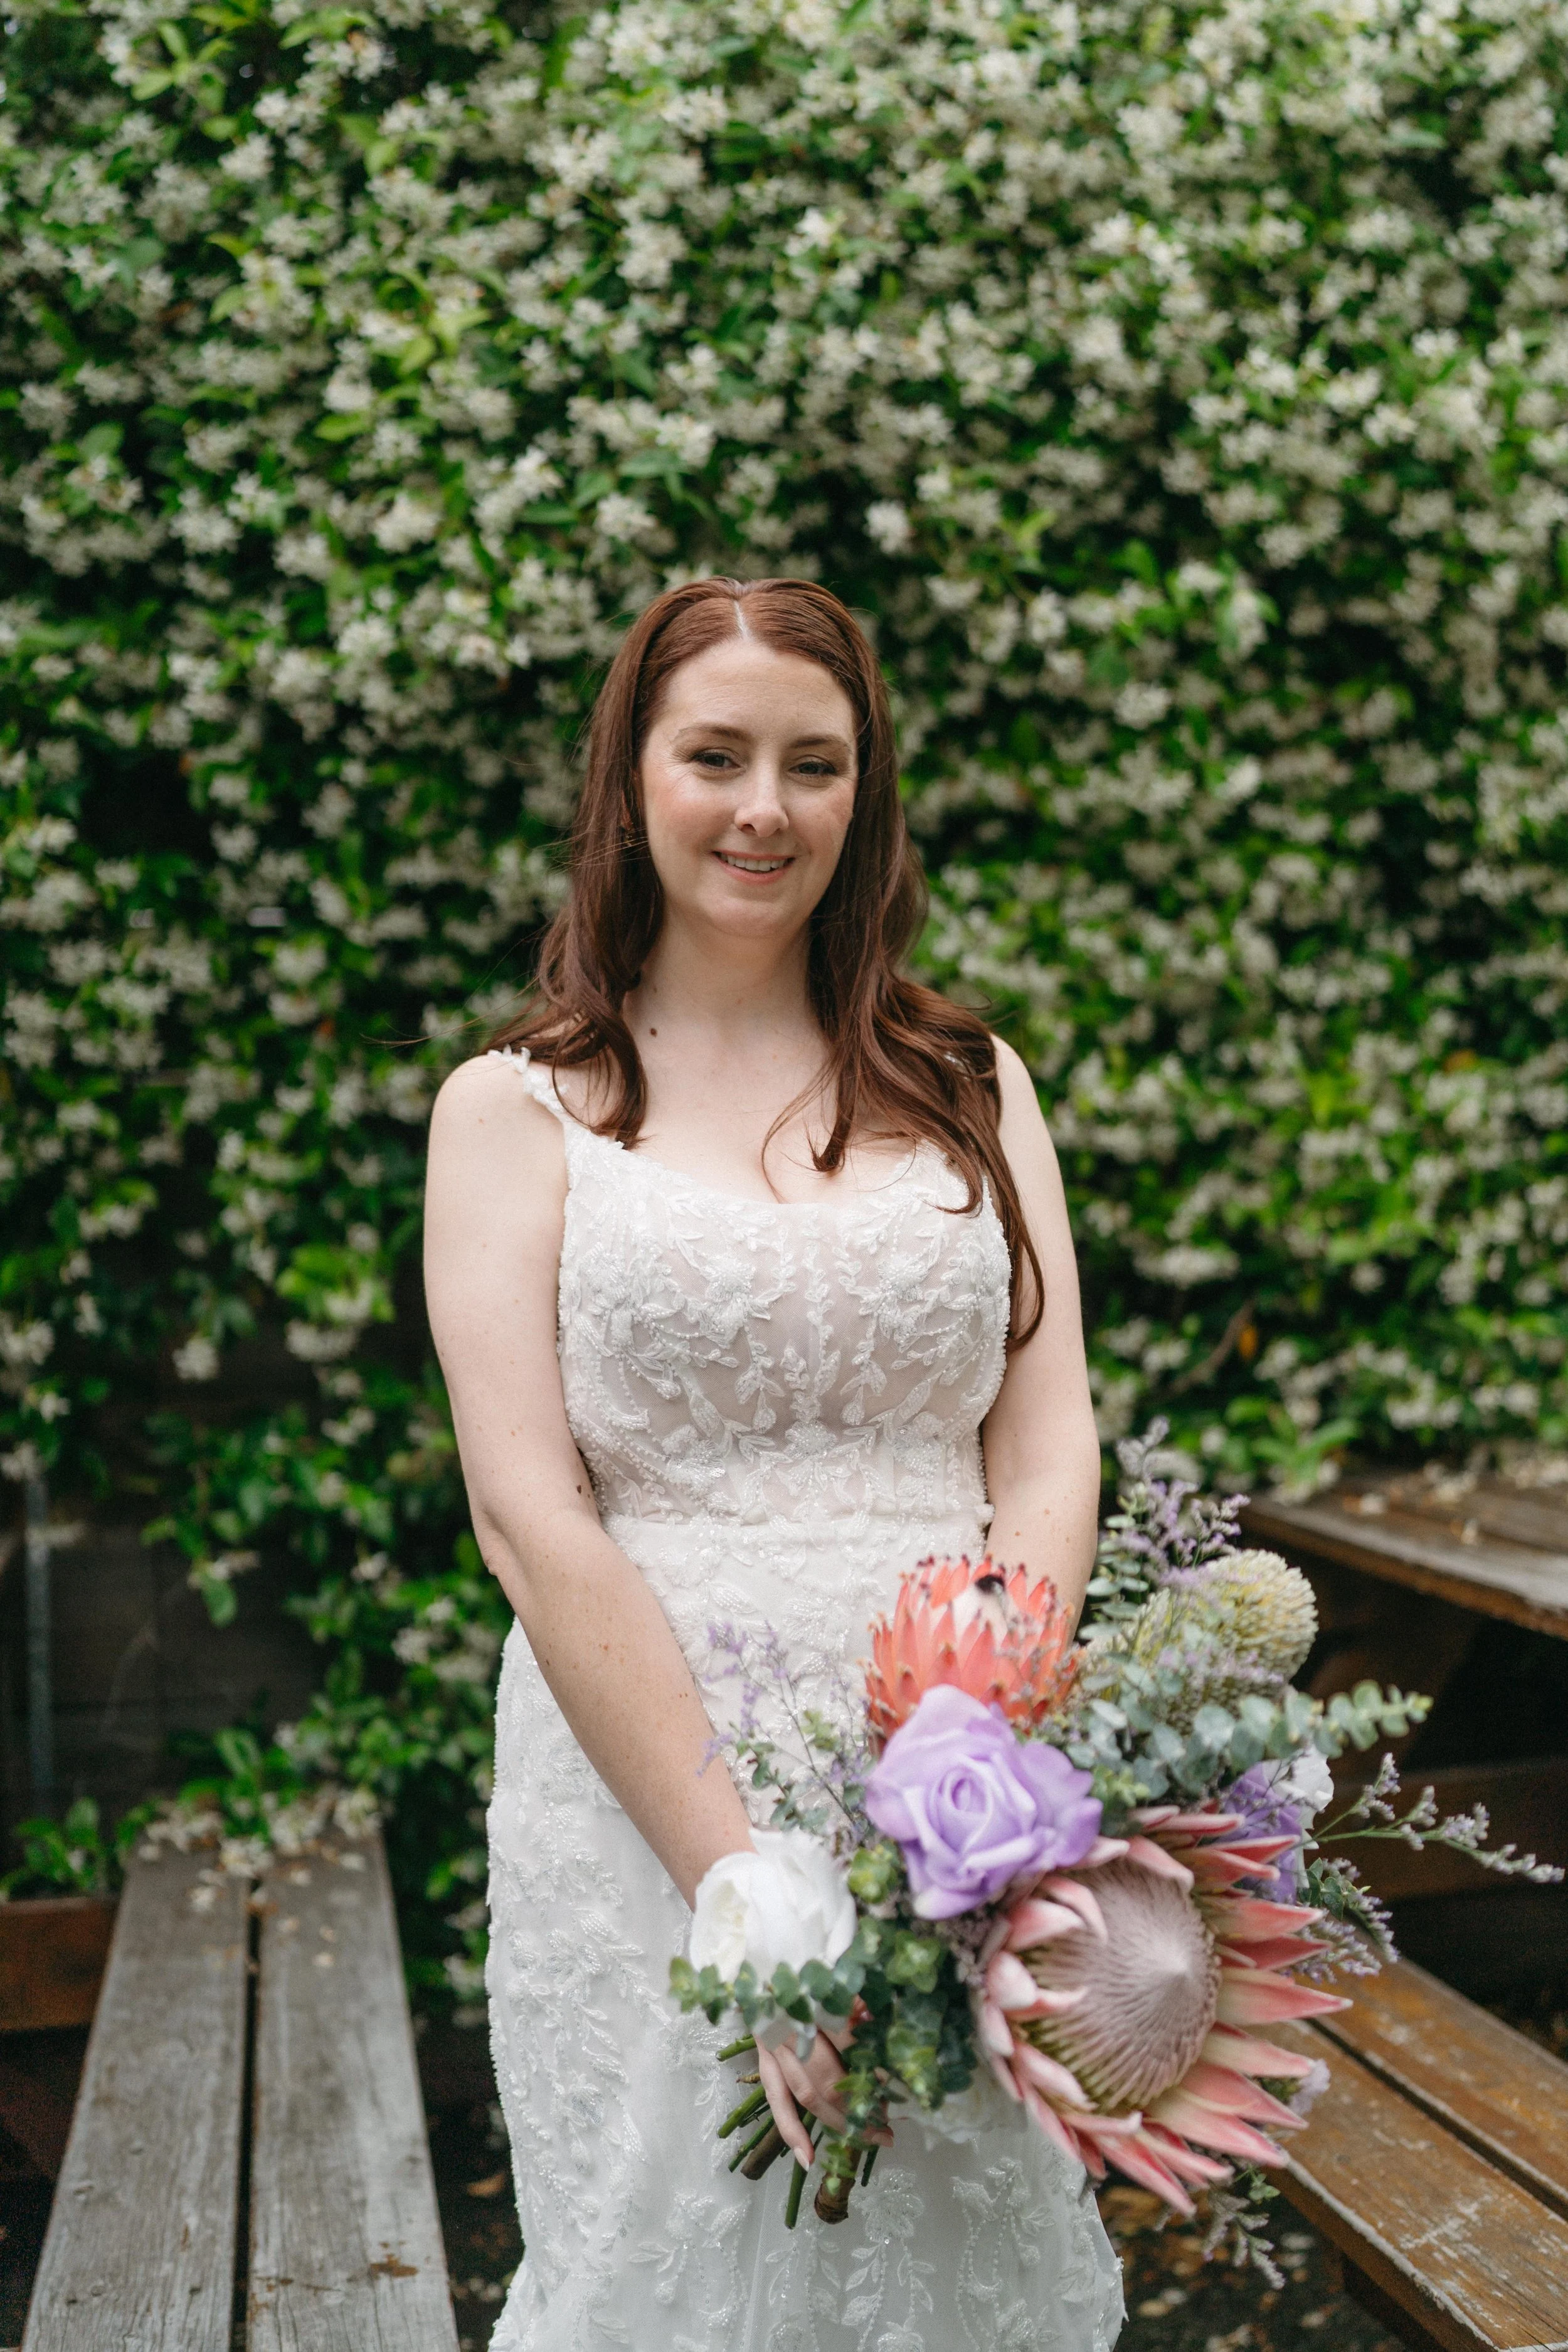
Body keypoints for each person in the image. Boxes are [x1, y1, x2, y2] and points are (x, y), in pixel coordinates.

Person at [423, 576, 1125, 2351]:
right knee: (688, 2248)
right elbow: (529, 1513)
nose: (762, 807)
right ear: (630, 776)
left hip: (950, 1787)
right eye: (714, 753)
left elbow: (1046, 1443)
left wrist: (976, 1753)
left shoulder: (972, 1080)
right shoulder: (514, 1111)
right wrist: (732, 1868)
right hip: (650, 1786)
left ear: (861, 795)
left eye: (813, 764)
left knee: (951, 2260)